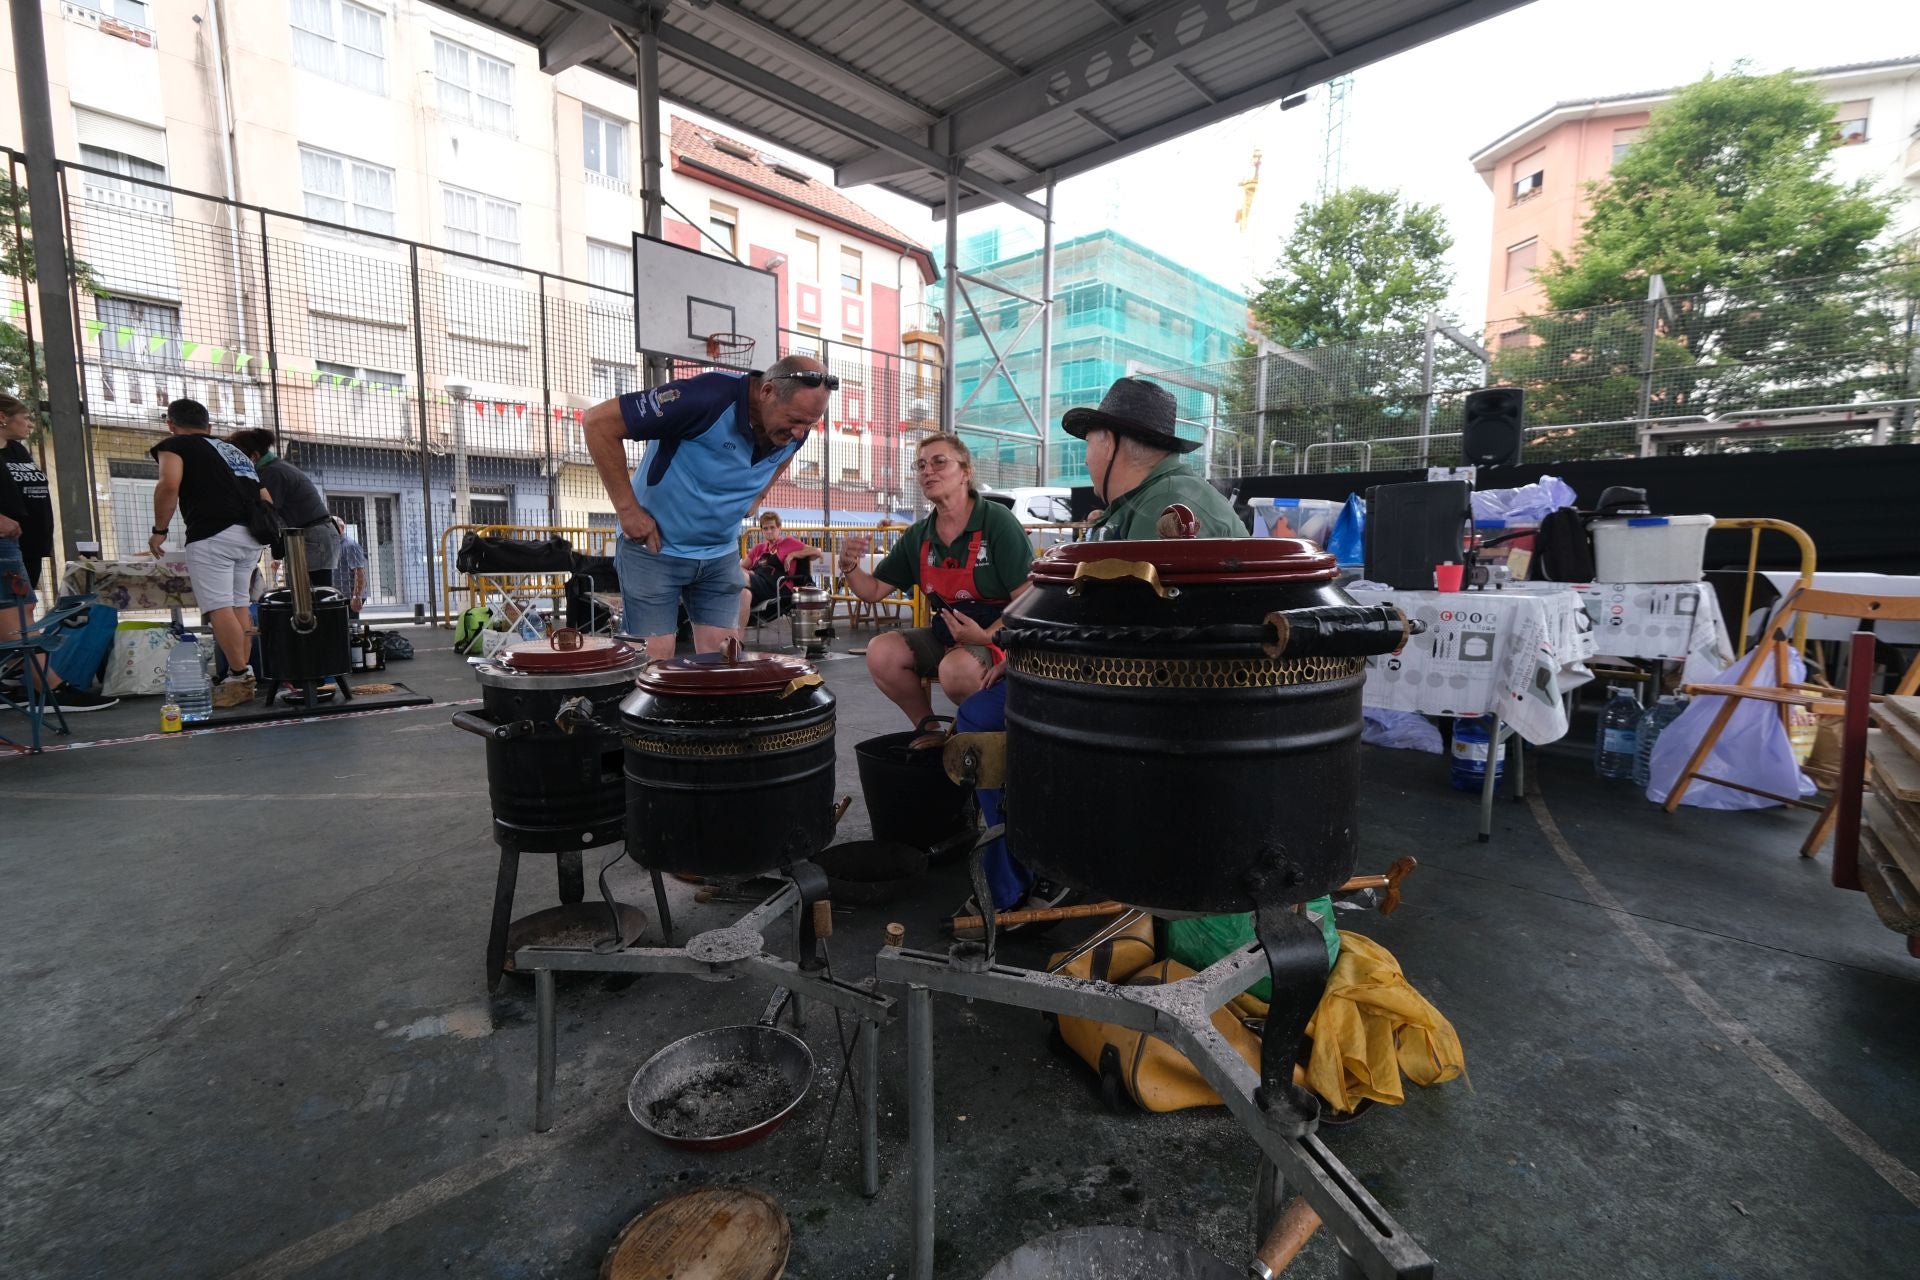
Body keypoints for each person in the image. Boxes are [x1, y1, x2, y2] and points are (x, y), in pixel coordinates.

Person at [954, 378, 1243, 929]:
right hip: (1149, 688)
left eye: (1088, 443)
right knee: (987, 709)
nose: (1086, 458)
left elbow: (1136, 631)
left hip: (1155, 700)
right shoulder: (1149, 501)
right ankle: (1031, 856)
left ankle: (1029, 871)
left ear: (1110, 442)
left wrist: (1032, 657)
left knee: (985, 718)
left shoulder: (1165, 507)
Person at [583, 355, 831, 660]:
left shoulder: (796, 428)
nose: (800, 433)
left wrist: (760, 493)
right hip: (655, 549)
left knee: (722, 656)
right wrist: (628, 511)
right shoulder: (705, 398)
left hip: (718, 553)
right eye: (795, 420)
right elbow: (597, 423)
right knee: (654, 658)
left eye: (809, 424)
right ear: (767, 392)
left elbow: (786, 453)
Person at [837, 432, 1034, 748]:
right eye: (921, 465)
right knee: (881, 652)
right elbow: (872, 591)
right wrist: (849, 567)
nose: (928, 471)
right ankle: (930, 732)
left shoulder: (997, 522)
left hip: (1000, 639)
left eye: (939, 462)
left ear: (965, 472)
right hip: (948, 636)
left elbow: (1026, 602)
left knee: (955, 671)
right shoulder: (919, 535)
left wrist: (986, 636)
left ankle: (986, 744)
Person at [0, 393, 118, 712]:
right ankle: (49, 687)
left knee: (19, 611)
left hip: (24, 544)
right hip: (5, 545)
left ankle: (17, 679)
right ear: (2, 417)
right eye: (24, 417)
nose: (30, 423)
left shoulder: (16, 450)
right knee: (19, 614)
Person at [150, 398, 269, 708]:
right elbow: (265, 496)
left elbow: (168, 484)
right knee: (239, 603)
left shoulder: (176, 445)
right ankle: (241, 675)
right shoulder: (233, 451)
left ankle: (239, 676)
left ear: (171, 425)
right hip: (251, 534)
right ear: (209, 426)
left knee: (218, 606)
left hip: (213, 533)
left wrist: (159, 530)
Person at [228, 429, 338, 588]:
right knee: (312, 591)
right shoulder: (276, 467)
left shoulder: (272, 473)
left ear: (255, 455)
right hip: (315, 535)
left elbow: (266, 513)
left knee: (315, 592)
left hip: (313, 537)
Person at [737, 509, 824, 629]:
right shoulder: (758, 548)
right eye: (765, 528)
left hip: (777, 587)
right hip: (756, 585)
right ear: (762, 530)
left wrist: (793, 554)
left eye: (772, 527)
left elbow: (817, 552)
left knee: (734, 576)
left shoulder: (788, 543)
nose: (769, 531)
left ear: (779, 528)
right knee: (742, 591)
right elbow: (741, 567)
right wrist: (748, 572)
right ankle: (736, 635)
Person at [333, 516, 368, 618]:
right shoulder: (336, 545)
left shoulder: (350, 545)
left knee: (351, 624)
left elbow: (359, 571)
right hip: (341, 596)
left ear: (342, 528)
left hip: (349, 596)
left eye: (332, 527)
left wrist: (356, 596)